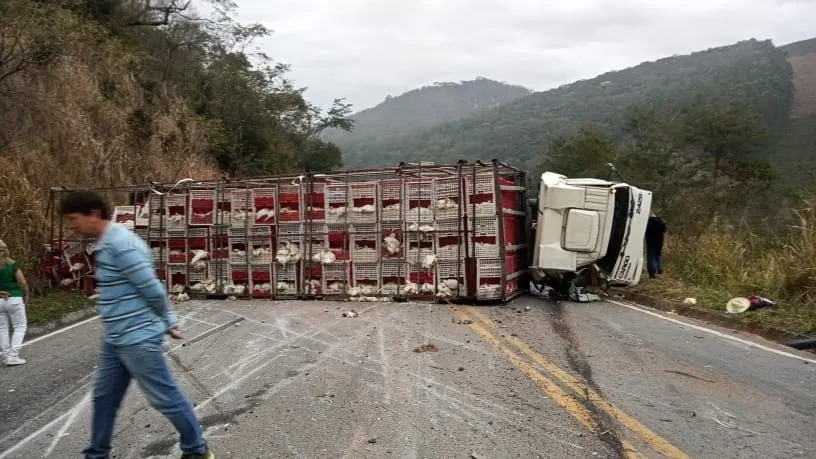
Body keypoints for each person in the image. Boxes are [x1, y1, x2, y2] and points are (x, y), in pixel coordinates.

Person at [60, 191, 214, 459]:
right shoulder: (106, 243)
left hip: (137, 337)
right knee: (104, 398)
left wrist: (167, 320)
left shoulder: (122, 244)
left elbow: (151, 288)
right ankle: (96, 454)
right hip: (115, 336)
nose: (72, 226)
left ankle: (197, 450)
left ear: (93, 214)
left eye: (74, 219)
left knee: (164, 397)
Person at [0, 239, 30, 366]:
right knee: (20, 326)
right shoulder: (12, 264)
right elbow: (22, 281)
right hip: (14, 298)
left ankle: (6, 354)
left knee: (2, 327)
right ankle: (13, 355)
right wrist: (26, 293)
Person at [645, 211, 666, 279]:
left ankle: (653, 272)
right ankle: (660, 268)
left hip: (651, 242)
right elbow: (664, 230)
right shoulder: (661, 222)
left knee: (651, 257)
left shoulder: (648, 223)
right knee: (658, 255)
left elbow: (646, 232)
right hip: (659, 242)